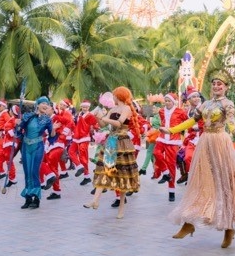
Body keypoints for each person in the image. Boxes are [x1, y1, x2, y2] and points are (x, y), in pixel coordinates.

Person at [166, 69, 235, 248]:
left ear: (226, 87)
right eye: (213, 84)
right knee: (200, 182)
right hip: (205, 142)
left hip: (220, 143)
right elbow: (192, 120)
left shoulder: (228, 104)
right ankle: (189, 224)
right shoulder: (205, 105)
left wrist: (234, 128)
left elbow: (230, 121)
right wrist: (172, 130)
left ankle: (229, 228)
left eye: (219, 84)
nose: (216, 86)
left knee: (225, 184)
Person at [83, 87, 141, 219]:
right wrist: (97, 117)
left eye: (114, 95)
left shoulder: (126, 108)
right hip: (111, 141)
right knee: (105, 169)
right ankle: (95, 200)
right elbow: (104, 123)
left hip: (122, 143)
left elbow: (119, 123)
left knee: (122, 174)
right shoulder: (112, 109)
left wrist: (105, 118)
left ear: (118, 96)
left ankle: (121, 207)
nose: (112, 98)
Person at [18, 98, 55, 209]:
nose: (45, 105)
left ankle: (36, 198)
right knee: (27, 172)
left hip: (38, 146)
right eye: (43, 103)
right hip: (26, 146)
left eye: (47, 104)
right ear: (37, 105)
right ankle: (28, 198)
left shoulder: (47, 119)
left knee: (34, 172)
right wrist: (18, 124)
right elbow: (20, 129)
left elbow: (52, 135)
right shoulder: (28, 116)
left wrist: (54, 129)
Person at [154, 93, 187, 202]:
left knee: (171, 165)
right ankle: (165, 172)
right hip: (162, 138)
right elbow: (163, 121)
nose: (167, 102)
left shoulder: (180, 112)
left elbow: (187, 122)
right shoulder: (161, 111)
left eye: (169, 101)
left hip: (173, 141)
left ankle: (171, 191)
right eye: (166, 100)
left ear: (174, 102)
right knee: (156, 153)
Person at [71, 100, 98, 186]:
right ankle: (79, 166)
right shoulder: (78, 114)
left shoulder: (90, 115)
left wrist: (94, 129)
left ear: (89, 107)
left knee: (83, 155)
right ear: (81, 107)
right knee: (71, 151)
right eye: (83, 107)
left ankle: (86, 176)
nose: (85, 108)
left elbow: (96, 124)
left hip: (84, 137)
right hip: (76, 137)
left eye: (86, 107)